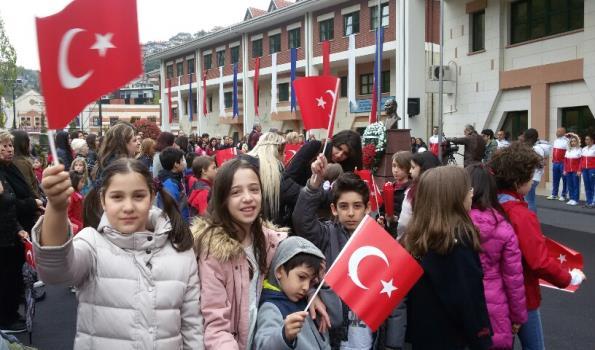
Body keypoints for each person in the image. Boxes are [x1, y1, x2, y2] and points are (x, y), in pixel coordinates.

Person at [34, 158, 203, 349]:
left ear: (152, 196)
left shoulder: (179, 250)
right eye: (117, 197)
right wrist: (56, 209)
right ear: (103, 200)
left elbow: (192, 325)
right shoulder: (91, 243)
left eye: (138, 196)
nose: (128, 207)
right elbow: (55, 272)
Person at [293, 160, 405, 349]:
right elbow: (302, 221)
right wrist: (314, 184)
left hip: (371, 339)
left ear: (367, 208)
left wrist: (392, 346)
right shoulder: (326, 235)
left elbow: (396, 302)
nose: (351, 213)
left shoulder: (379, 242)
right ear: (334, 209)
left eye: (357, 206)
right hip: (334, 338)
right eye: (344, 206)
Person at [489, 142, 586, 349]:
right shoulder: (521, 215)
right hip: (522, 293)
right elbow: (538, 261)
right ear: (517, 181)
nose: (533, 181)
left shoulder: (490, 204)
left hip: (493, 291)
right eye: (530, 176)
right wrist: (568, 277)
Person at [191, 158, 290, 350]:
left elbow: (300, 265)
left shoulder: (272, 241)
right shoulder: (213, 252)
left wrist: (312, 291)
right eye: (236, 192)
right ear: (222, 199)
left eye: (254, 189)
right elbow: (216, 326)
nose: (248, 198)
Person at [405, 166, 493, 349]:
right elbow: (468, 299)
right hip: (452, 338)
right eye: (467, 189)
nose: (472, 193)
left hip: (425, 335)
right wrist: (482, 338)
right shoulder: (458, 241)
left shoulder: (418, 236)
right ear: (453, 198)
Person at [466, 164, 527, 349]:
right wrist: (517, 316)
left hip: (463, 301)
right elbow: (513, 277)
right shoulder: (502, 227)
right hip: (495, 302)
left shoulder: (454, 222)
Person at [253, 236, 330, 350]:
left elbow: (336, 320)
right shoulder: (271, 307)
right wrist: (284, 336)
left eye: (311, 280)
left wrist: (324, 284)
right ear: (279, 271)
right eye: (301, 277)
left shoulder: (308, 298)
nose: (306, 287)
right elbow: (262, 346)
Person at [280, 130, 362, 227]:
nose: (339, 155)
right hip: (296, 212)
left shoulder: (344, 168)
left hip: (323, 221)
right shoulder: (314, 147)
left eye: (345, 154)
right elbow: (287, 179)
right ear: (333, 142)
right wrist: (309, 195)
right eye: (338, 148)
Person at [0, 130, 30, 333]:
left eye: (10, 146)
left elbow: (8, 207)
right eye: (3, 146)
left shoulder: (8, 169)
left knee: (11, 278)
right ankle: (5, 319)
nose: (9, 150)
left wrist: (18, 229)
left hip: (10, 235)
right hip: (2, 240)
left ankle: (10, 315)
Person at [397, 151, 441, 238]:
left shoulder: (413, 192)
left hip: (415, 241)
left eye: (413, 167)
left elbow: (404, 224)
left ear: (423, 169)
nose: (410, 171)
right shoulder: (443, 189)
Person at [247, 132, 286, 222]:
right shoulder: (275, 170)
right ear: (276, 152)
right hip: (265, 224)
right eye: (283, 152)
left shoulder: (239, 162)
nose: (284, 155)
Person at [382, 151, 412, 237]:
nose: (395, 170)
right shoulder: (389, 187)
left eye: (400, 167)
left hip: (404, 235)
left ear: (408, 168)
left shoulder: (411, 190)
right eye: (394, 166)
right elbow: (382, 209)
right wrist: (381, 218)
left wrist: (396, 218)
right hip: (389, 232)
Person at [157, 147, 190, 223]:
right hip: (177, 225)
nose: (184, 162)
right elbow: (171, 213)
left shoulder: (176, 177)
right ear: (176, 164)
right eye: (182, 160)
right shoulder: (170, 185)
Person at [11, 130, 43, 199]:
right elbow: (28, 187)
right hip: (34, 203)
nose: (30, 143)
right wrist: (40, 200)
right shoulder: (21, 163)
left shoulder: (20, 160)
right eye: (28, 140)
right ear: (22, 143)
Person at [521, 129, 544, 213]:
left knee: (529, 201)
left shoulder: (536, 149)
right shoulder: (535, 148)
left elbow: (536, 164)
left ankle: (532, 220)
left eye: (524, 136)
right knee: (530, 200)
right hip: (532, 177)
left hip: (532, 177)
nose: (523, 138)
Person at [547, 127, 569, 201]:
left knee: (565, 179)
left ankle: (564, 195)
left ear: (564, 132)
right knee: (555, 179)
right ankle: (554, 194)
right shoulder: (556, 140)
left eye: (559, 131)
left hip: (563, 163)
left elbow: (568, 152)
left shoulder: (567, 141)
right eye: (557, 131)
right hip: (555, 163)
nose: (557, 133)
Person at [564, 133, 582, 206]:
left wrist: (579, 170)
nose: (573, 143)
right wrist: (565, 170)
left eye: (574, 141)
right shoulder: (568, 150)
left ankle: (576, 199)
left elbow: (581, 162)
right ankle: (571, 198)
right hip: (568, 170)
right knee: (570, 185)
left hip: (575, 171)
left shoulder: (579, 150)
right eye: (572, 141)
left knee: (576, 185)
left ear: (577, 142)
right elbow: (565, 161)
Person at [581, 133, 595, 208]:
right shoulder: (584, 149)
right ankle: (588, 201)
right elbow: (582, 160)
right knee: (587, 186)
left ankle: (593, 202)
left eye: (587, 139)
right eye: (585, 139)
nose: (586, 141)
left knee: (593, 185)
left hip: (592, 169)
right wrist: (580, 169)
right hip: (585, 170)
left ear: (592, 140)